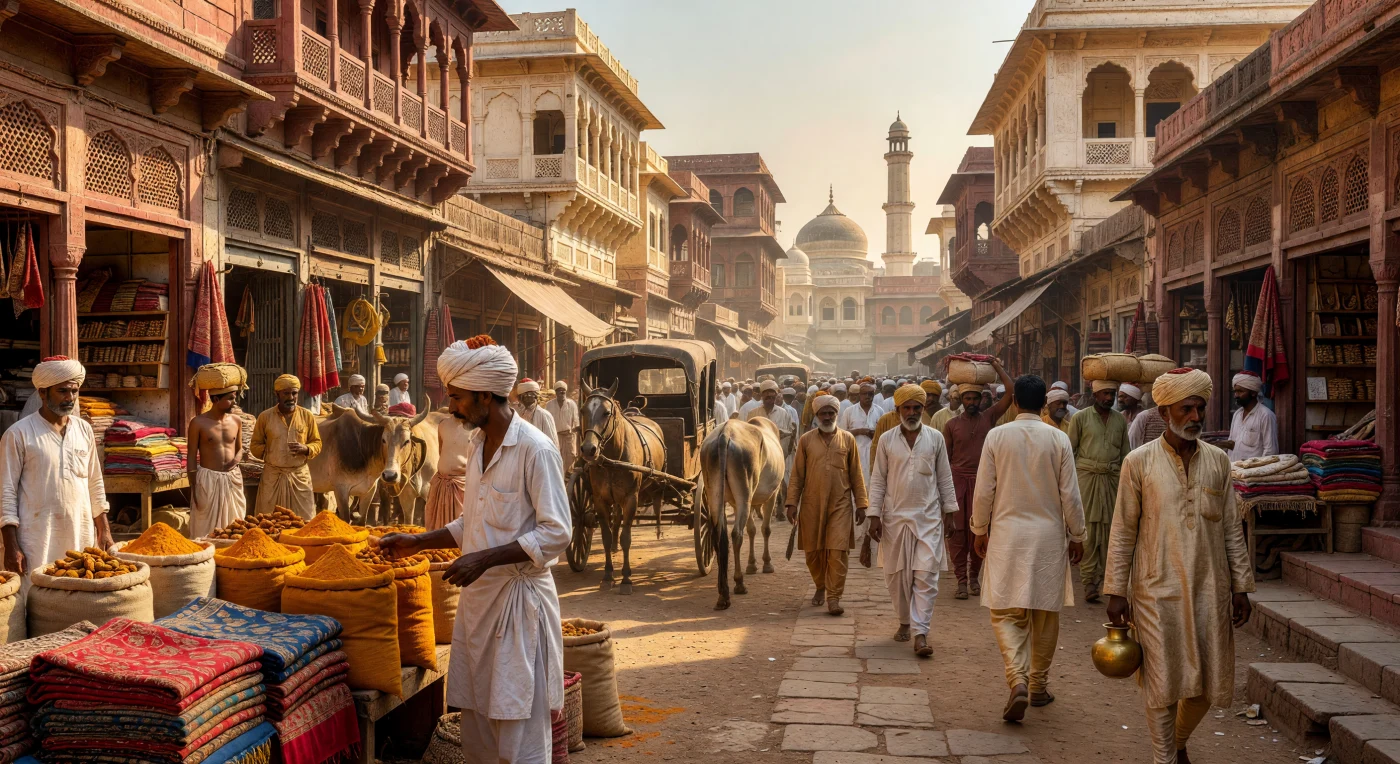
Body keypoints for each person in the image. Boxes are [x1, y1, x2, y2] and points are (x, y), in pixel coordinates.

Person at [378, 336, 570, 764]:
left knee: (518, 733)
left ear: (486, 395)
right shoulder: (478, 445)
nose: (452, 407)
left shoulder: (536, 450)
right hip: (479, 608)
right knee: (480, 732)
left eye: (458, 397)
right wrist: (419, 541)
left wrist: (484, 559)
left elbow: (557, 533)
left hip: (519, 609)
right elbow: (475, 522)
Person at [1105, 368, 1254, 764]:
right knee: (1161, 681)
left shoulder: (1219, 462)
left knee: (1208, 686)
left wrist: (1241, 586)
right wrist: (1116, 591)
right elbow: (1122, 531)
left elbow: (1230, 529)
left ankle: (1178, 741)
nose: (1195, 417)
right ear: (1164, 410)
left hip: (1210, 588)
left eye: (1199, 408)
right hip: (1156, 589)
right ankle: (1164, 758)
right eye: (1186, 408)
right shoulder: (1138, 462)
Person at [971, 375, 1086, 722]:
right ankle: (1037, 686)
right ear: (1042, 404)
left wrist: (979, 529)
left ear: (1017, 403)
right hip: (1049, 537)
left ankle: (1017, 679)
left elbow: (984, 491)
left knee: (1006, 611)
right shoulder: (1058, 439)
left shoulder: (996, 436)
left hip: (1007, 535)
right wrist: (1078, 535)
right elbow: (1071, 494)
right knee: (1045, 613)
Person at [0, 357, 113, 596]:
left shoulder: (84, 430)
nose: (70, 398)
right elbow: (5, 491)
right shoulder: (18, 434)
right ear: (42, 392)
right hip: (36, 536)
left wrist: (104, 530)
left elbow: (95, 481)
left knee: (78, 596)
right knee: (36, 597)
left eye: (74, 391)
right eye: (62, 391)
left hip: (79, 530)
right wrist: (10, 545)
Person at [867, 384, 957, 658]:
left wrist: (950, 512)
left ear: (923, 409)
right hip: (894, 519)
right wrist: (874, 515)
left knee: (926, 576)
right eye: (906, 407)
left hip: (929, 518)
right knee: (898, 577)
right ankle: (904, 620)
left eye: (917, 407)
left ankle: (920, 633)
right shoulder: (886, 440)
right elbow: (878, 479)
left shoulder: (935, 438)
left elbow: (944, 477)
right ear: (897, 411)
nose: (912, 412)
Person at [786, 394, 869, 616]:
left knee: (837, 552)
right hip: (812, 504)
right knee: (813, 553)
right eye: (823, 413)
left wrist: (861, 503)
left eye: (831, 413)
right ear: (816, 415)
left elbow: (856, 475)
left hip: (840, 505)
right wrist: (792, 503)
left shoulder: (848, 439)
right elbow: (796, 476)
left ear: (837, 414)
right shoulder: (806, 440)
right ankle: (820, 585)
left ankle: (834, 597)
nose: (827, 416)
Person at [942, 359, 1015, 599]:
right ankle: (961, 580)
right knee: (958, 534)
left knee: (979, 531)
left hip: (983, 484)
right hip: (957, 484)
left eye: (975, 398)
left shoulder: (989, 417)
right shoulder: (951, 425)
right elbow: (945, 461)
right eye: (968, 399)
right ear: (961, 401)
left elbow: (1011, 392)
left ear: (982, 399)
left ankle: (975, 577)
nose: (972, 403)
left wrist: (996, 365)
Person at [1067, 380, 1130, 604]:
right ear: (1095, 394)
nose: (1109, 398)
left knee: (1110, 532)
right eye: (1105, 393)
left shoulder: (1120, 420)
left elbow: (1126, 455)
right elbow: (1069, 451)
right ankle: (1089, 582)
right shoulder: (1080, 418)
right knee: (1089, 531)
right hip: (1086, 479)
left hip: (1112, 481)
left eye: (1112, 393)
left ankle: (1103, 579)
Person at [188, 364, 248, 539]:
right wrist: (194, 487)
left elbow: (240, 448)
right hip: (207, 480)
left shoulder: (236, 421)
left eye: (234, 397)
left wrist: (235, 461)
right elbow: (191, 456)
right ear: (215, 399)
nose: (234, 402)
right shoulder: (198, 423)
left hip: (232, 479)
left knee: (234, 528)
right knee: (204, 530)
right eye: (230, 398)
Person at [250, 374, 322, 519]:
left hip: (299, 477)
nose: (291, 397)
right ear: (277, 394)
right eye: (286, 393)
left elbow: (317, 442)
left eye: (294, 393)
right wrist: (271, 452)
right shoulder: (265, 417)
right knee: (268, 521)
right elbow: (255, 445)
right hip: (273, 477)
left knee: (304, 522)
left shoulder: (307, 416)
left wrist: (306, 449)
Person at [838, 382, 883, 486]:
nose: (868, 396)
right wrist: (860, 431)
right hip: (855, 454)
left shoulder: (879, 411)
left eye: (871, 394)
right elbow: (841, 434)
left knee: (873, 487)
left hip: (874, 456)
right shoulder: (849, 411)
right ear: (859, 395)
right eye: (865, 393)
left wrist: (875, 433)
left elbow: (883, 434)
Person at [1228, 371, 1277, 462]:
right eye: (1235, 391)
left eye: (1240, 391)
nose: (1236, 395)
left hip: (1254, 474)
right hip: (1235, 471)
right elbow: (1231, 446)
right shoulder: (1237, 415)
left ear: (1253, 393)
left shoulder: (1266, 415)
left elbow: (1270, 452)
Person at [746, 380, 797, 461]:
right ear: (761, 395)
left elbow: (790, 438)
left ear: (776, 395)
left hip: (778, 457)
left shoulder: (783, 413)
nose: (769, 396)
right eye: (766, 393)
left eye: (772, 393)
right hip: (759, 457)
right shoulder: (753, 414)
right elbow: (748, 436)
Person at [546, 381, 580, 472]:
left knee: (571, 457)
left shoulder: (571, 404)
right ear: (556, 393)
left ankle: (568, 478)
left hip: (569, 436)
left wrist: (574, 430)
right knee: (556, 457)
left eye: (563, 391)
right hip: (555, 436)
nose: (562, 393)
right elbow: (548, 421)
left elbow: (576, 420)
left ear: (566, 392)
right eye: (559, 391)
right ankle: (559, 478)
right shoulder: (549, 405)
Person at [515, 379, 559, 448]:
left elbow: (552, 442)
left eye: (530, 394)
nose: (527, 396)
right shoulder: (517, 415)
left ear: (535, 396)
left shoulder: (544, 415)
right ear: (520, 397)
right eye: (525, 394)